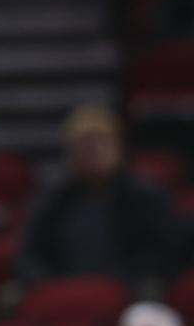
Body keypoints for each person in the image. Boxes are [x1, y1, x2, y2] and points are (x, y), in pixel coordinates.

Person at [15, 103, 179, 289]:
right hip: (65, 291)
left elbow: (162, 254)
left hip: (130, 291)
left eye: (101, 140)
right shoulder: (51, 201)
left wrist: (121, 284)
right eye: (83, 143)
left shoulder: (148, 197)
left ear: (120, 148)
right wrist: (50, 285)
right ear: (69, 153)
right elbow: (29, 257)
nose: (92, 149)